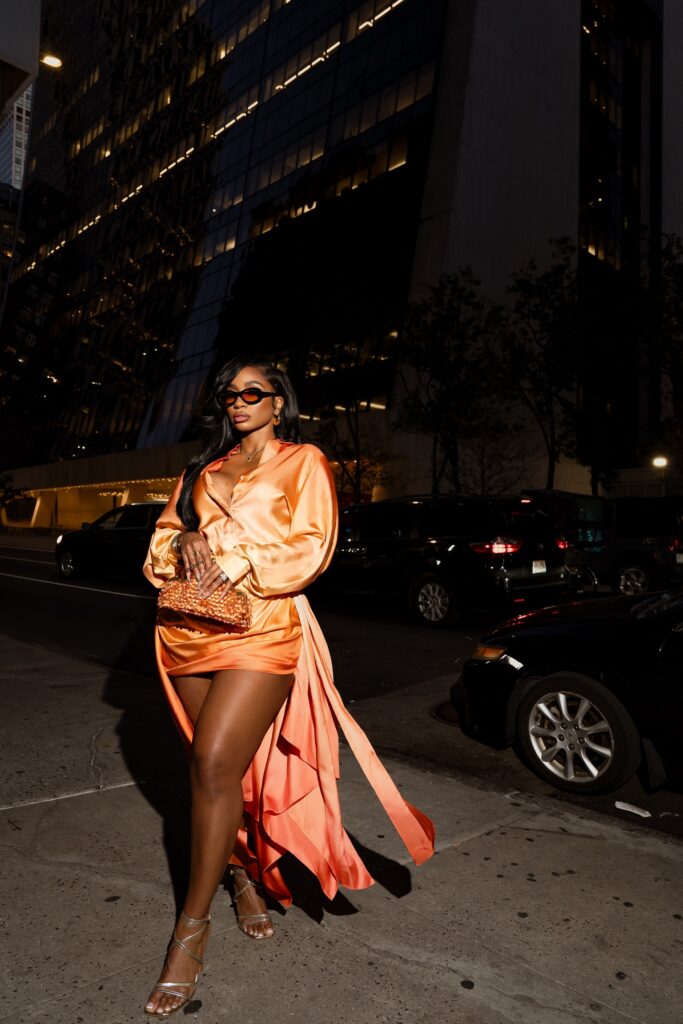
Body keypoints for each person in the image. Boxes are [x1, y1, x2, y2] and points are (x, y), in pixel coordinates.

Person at [142, 354, 435, 1017]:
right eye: (228, 393)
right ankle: (241, 875)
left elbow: (313, 545)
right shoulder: (201, 471)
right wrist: (184, 542)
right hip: (187, 631)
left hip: (265, 628)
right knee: (219, 775)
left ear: (279, 402)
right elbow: (157, 548)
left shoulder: (304, 462)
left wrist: (232, 556)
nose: (238, 400)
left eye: (254, 391)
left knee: (216, 762)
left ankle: (189, 933)